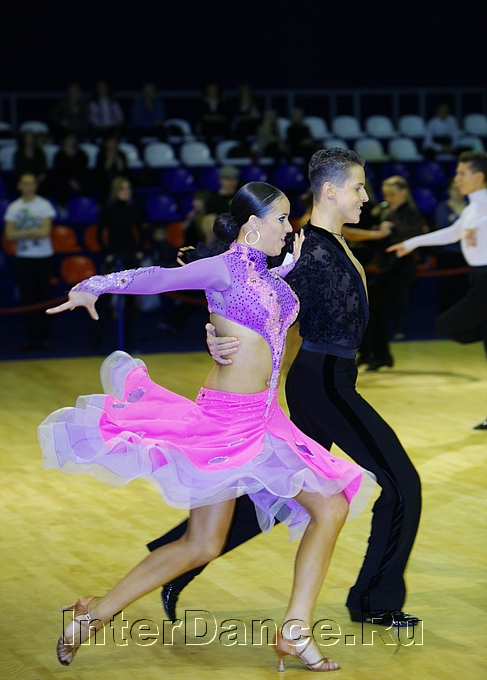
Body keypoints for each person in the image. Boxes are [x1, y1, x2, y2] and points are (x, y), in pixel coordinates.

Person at [40, 181, 375, 671]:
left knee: (329, 506)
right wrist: (93, 285)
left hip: (266, 420)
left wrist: (280, 275)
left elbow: (263, 321)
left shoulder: (270, 274)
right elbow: (157, 277)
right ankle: (93, 614)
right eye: (281, 219)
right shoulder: (224, 268)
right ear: (252, 224)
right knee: (202, 544)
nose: (289, 227)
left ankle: (295, 630)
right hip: (224, 422)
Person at [152, 149, 421, 629]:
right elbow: (243, 275)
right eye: (358, 187)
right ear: (330, 191)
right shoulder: (304, 248)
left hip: (329, 379)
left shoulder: (331, 243)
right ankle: (374, 600)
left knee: (284, 489)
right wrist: (212, 308)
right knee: (402, 484)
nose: (365, 196)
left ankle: (181, 558)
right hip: (323, 382)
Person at [388, 151, 487, 430]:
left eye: (462, 173)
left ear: (479, 176)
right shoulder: (470, 210)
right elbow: (451, 233)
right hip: (477, 279)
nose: (457, 178)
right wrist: (412, 243)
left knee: (445, 324)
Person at [357, 175, 423, 370]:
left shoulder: (409, 213)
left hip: (402, 268)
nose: (389, 198)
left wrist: (391, 228)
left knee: (374, 304)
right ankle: (374, 354)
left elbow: (415, 235)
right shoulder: (385, 212)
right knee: (374, 307)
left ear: (403, 193)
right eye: (386, 194)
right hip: (388, 268)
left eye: (393, 194)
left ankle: (375, 354)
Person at [90, 177, 144, 350]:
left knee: (130, 301)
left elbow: (141, 230)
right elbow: (99, 233)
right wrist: (107, 253)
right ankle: (96, 340)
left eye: (128, 188)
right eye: (122, 188)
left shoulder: (132, 208)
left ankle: (129, 342)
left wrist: (139, 250)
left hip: (130, 254)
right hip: (114, 254)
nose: (126, 191)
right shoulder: (107, 209)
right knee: (105, 299)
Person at [4, 173, 56, 350]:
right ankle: (32, 339)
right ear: (19, 186)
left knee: (44, 297)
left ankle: (43, 338)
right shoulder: (14, 207)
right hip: (24, 258)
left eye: (32, 183)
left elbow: (45, 232)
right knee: (27, 298)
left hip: (44, 257)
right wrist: (34, 231)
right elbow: (9, 234)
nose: (30, 187)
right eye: (26, 184)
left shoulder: (44, 205)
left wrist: (22, 233)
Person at [435, 178, 468, 313]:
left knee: (466, 289)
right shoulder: (443, 207)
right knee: (447, 289)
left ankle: (466, 317)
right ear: (449, 191)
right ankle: (445, 317)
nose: (458, 191)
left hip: (468, 254)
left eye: (460, 187)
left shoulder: (472, 207)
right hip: (448, 254)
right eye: (455, 188)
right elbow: (446, 229)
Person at [51, 133, 89, 206]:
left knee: (85, 185)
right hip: (63, 179)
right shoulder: (59, 155)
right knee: (62, 187)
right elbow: (59, 171)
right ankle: (63, 208)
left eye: (72, 139)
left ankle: (83, 207)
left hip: (78, 179)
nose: (71, 141)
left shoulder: (81, 154)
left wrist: (76, 181)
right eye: (69, 139)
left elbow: (83, 169)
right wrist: (70, 181)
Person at [94, 134, 128, 202]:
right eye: (111, 141)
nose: (113, 143)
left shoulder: (121, 154)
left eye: (115, 142)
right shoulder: (101, 155)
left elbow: (122, 169)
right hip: (105, 180)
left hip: (119, 179)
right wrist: (110, 157)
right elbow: (104, 170)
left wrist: (116, 157)